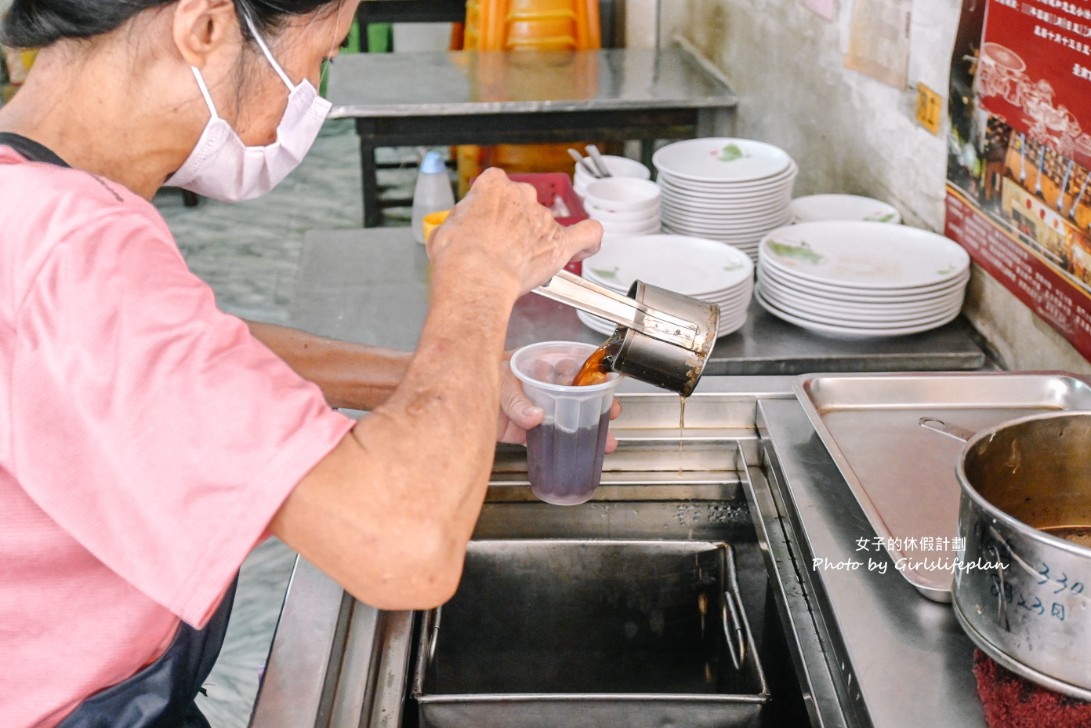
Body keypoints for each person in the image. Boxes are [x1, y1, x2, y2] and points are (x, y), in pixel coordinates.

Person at [0, 0, 611, 725]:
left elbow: (184, 354)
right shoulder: (77, 251)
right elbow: (403, 549)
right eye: (321, 56)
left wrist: (472, 374)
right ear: (206, 28)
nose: (313, 93)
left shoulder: (31, 196)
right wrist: (478, 278)